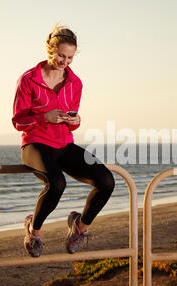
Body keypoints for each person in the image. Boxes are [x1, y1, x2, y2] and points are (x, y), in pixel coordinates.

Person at [12, 24, 115, 257]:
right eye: (60, 55)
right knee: (57, 184)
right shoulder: (28, 79)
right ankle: (33, 231)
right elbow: (18, 121)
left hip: (64, 145)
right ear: (50, 50)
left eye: (69, 57)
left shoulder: (75, 83)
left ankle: (79, 227)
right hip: (34, 144)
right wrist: (43, 117)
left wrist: (75, 120)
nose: (64, 61)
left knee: (107, 181)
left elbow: (72, 122)